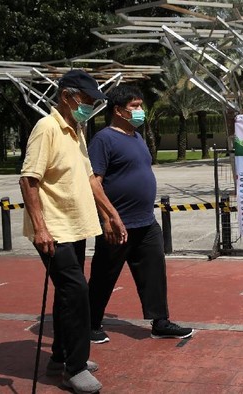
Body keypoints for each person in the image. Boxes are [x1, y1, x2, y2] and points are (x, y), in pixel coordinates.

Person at [19, 69, 127, 394]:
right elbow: (28, 179)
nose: (91, 106)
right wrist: (40, 229)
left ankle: (61, 357)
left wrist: (111, 216)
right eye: (88, 100)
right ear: (68, 96)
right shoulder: (47, 128)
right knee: (77, 294)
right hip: (53, 231)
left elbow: (90, 179)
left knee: (68, 294)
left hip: (75, 227)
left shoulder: (76, 130)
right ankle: (74, 368)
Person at [87, 85, 194, 344]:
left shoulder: (136, 137)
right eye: (134, 106)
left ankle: (160, 322)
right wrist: (108, 218)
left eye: (140, 106)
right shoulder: (103, 140)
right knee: (104, 275)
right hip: (117, 223)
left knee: (154, 272)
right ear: (118, 110)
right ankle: (89, 324)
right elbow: (93, 182)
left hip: (145, 221)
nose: (140, 111)